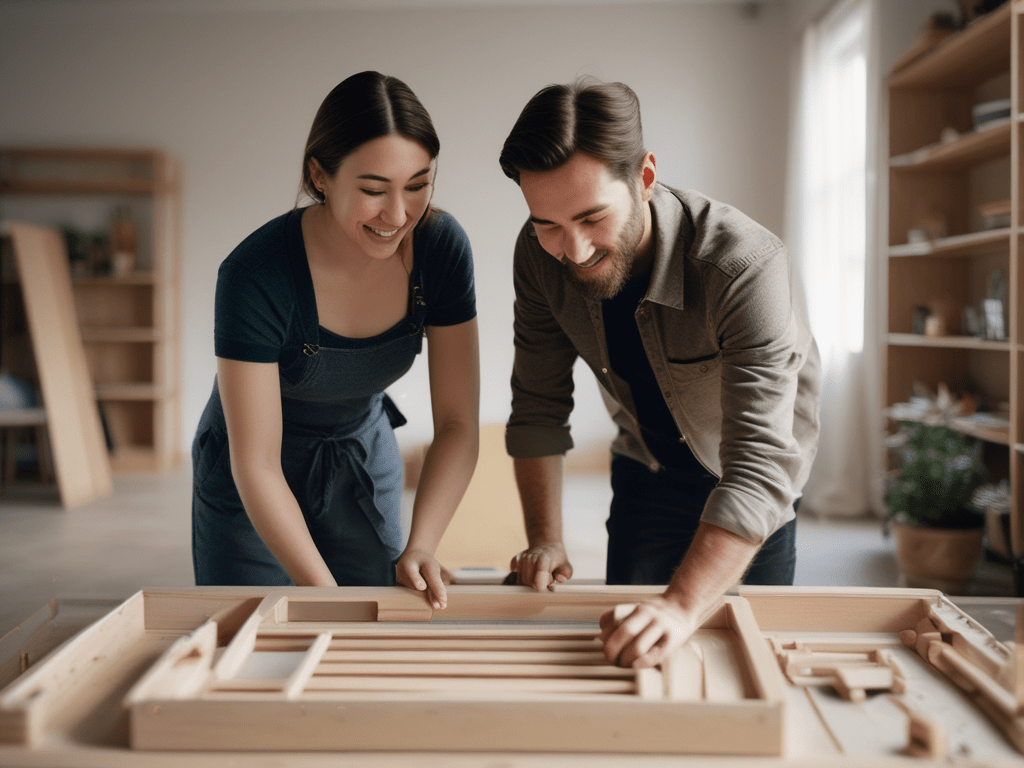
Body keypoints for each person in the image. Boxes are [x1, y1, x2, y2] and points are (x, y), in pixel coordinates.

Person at [498, 78, 820, 666]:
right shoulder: (538, 255)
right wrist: (545, 538)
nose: (574, 250)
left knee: (747, 656)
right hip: (646, 463)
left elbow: (760, 464)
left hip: (751, 475)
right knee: (627, 652)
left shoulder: (744, 265)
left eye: (592, 217)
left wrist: (681, 604)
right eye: (548, 224)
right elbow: (539, 406)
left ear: (645, 177)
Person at [192, 71, 479, 610]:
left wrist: (422, 546)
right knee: (262, 630)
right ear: (319, 176)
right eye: (373, 190)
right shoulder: (255, 275)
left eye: (417, 185)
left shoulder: (440, 250)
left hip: (360, 455)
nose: (398, 215)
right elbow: (257, 463)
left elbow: (458, 424)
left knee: (378, 624)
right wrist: (328, 600)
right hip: (250, 472)